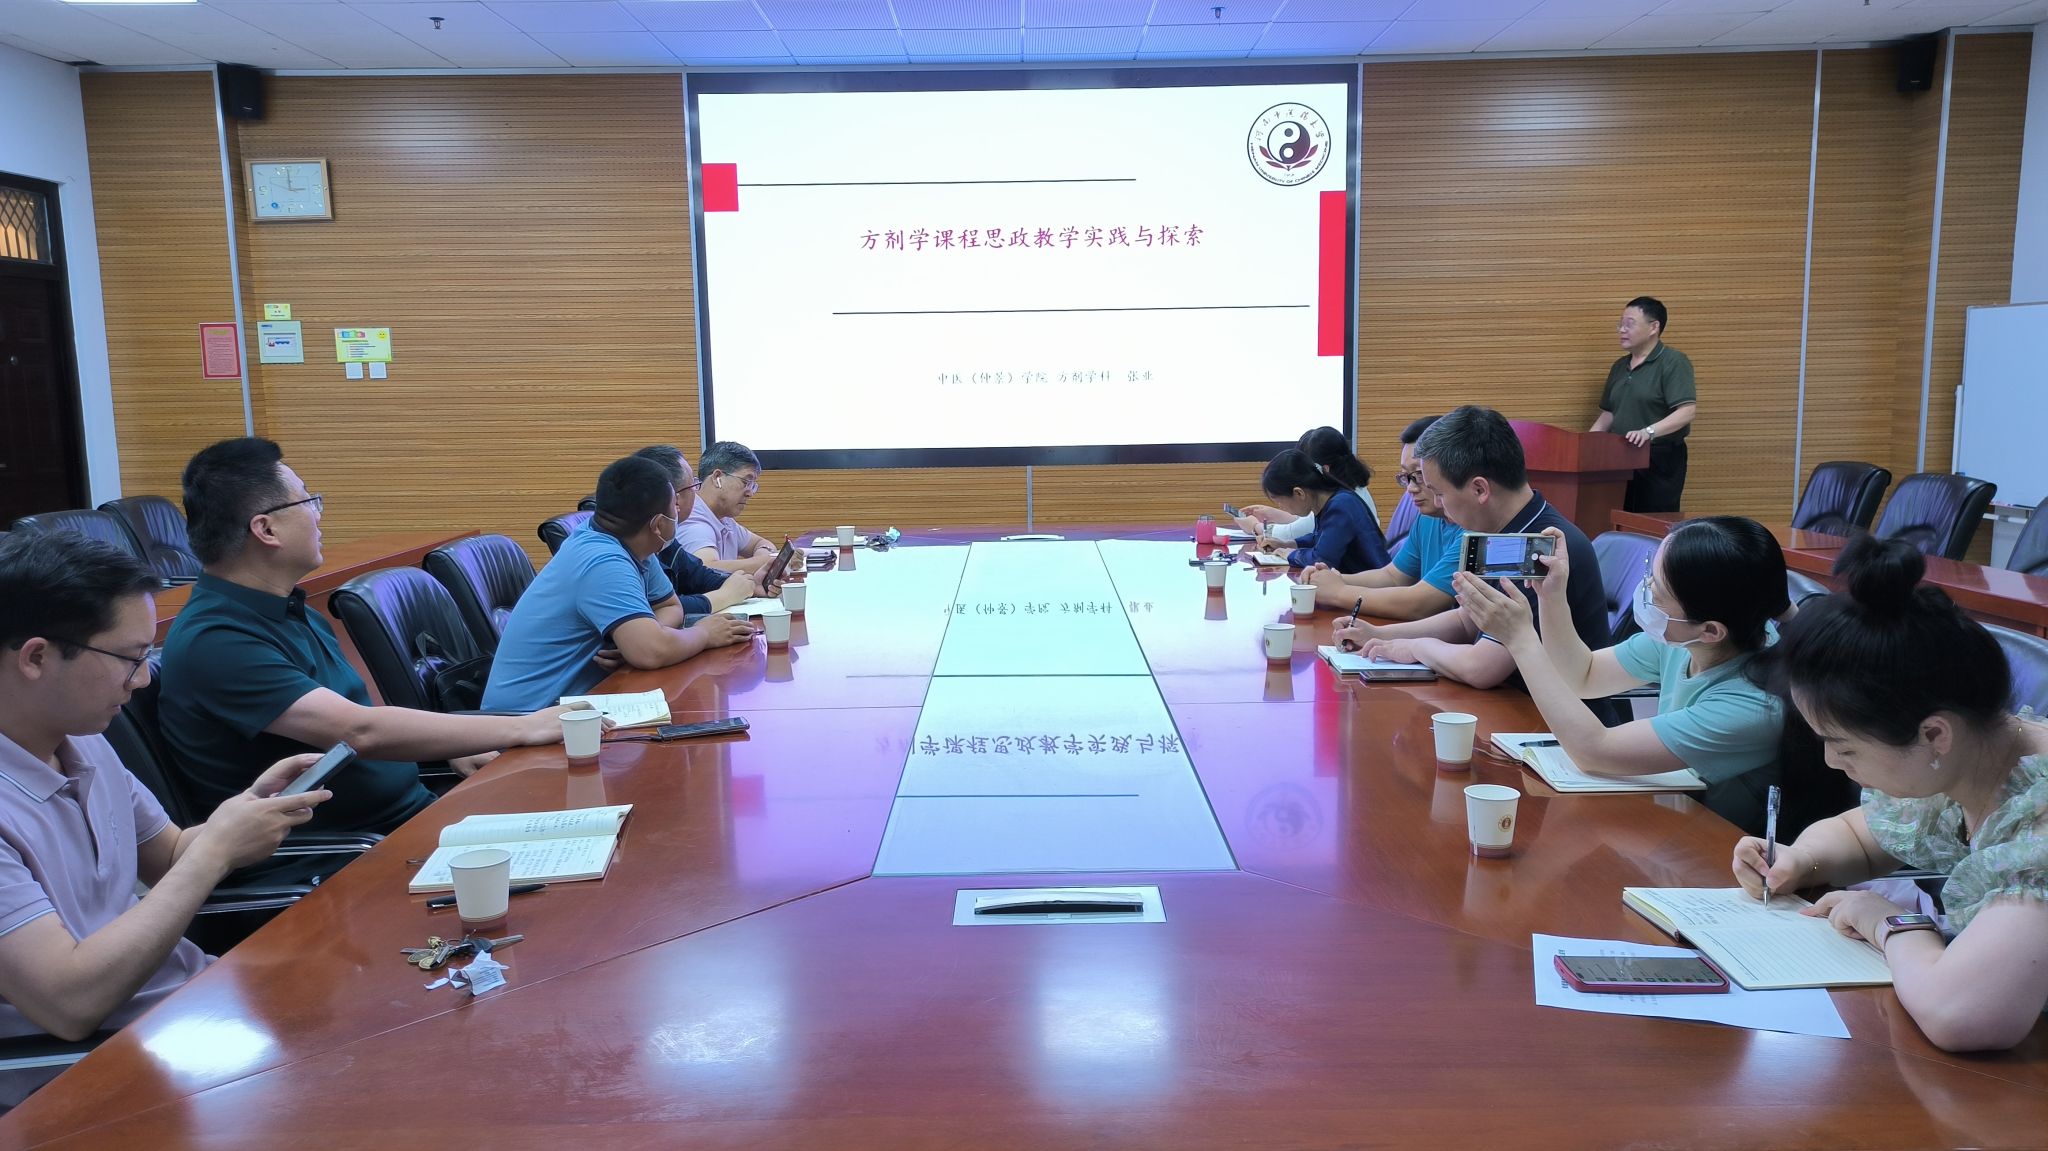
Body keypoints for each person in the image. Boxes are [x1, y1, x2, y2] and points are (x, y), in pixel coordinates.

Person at [0, 533, 331, 1104]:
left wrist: (242, 814)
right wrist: (215, 853)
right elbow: (69, 1003)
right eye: (130, 659)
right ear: (36, 657)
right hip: (90, 1077)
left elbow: (170, 855)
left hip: (194, 1018)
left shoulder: (82, 740)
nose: (144, 679)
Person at [158, 438, 583, 857]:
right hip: (344, 855)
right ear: (266, 529)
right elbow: (357, 730)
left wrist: (454, 746)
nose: (318, 516)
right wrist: (523, 726)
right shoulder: (216, 639)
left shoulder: (288, 608)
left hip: (411, 819)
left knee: (584, 820)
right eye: (308, 502)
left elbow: (361, 723)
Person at [1731, 535, 2048, 1053]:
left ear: (1933, 734)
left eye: (1845, 747)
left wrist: (1888, 921)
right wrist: (1800, 860)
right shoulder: (1971, 756)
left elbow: (1964, 1016)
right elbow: (1861, 835)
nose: (1832, 762)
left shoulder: (2038, 826)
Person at [1454, 516, 1790, 832]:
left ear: (1711, 630)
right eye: (1650, 574)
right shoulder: (1692, 637)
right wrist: (1552, 596)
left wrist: (1520, 640)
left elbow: (1595, 752)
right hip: (1668, 813)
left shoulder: (1755, 704)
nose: (1646, 591)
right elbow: (1584, 675)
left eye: (1658, 591)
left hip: (1714, 841)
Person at [1334, 405, 1611, 689]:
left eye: (1440, 493)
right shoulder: (1505, 530)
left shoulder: (1540, 544)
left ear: (1480, 489)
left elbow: (1481, 667)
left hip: (1546, 712)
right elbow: (1467, 622)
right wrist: (1380, 635)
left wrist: (1416, 647)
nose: (1438, 503)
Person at [484, 454, 755, 713]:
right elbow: (652, 652)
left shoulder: (634, 544)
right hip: (528, 721)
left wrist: (641, 638)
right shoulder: (602, 560)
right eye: (674, 504)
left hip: (578, 705)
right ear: (658, 524)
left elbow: (669, 607)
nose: (679, 510)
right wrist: (704, 634)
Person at [1300, 415, 1461, 620]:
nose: (1410, 488)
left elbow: (1420, 604)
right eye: (1406, 477)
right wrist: (1334, 579)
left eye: (1419, 475)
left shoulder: (1472, 528)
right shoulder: (1427, 518)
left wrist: (1338, 592)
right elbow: (1393, 576)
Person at [633, 445, 779, 617]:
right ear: (674, 499)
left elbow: (698, 574)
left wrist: (750, 584)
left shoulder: (667, 543)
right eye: (692, 486)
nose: (696, 492)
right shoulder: (622, 553)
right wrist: (725, 595)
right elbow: (657, 611)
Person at [1589, 296, 1696, 513]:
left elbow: (1686, 411)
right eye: (1620, 324)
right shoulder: (1619, 366)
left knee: (1652, 521)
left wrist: (1648, 432)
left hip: (1658, 458)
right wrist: (1587, 443)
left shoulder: (1673, 362)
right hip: (1620, 457)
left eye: (1629, 324)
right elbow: (1610, 413)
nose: (1622, 330)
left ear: (1653, 327)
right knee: (1618, 515)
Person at [1256, 449, 1388, 574]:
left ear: (1299, 493)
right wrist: (1287, 544)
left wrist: (1291, 554)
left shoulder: (1340, 506)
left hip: (1371, 586)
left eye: (1279, 502)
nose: (1280, 507)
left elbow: (1322, 560)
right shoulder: (1329, 501)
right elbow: (1321, 538)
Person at [1237, 426, 1379, 542]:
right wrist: (1275, 514)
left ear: (1324, 469)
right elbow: (1308, 524)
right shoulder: (1349, 488)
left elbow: (1293, 534)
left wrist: (1255, 526)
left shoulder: (1339, 500)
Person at [681, 441, 785, 575]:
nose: (750, 493)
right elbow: (707, 569)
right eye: (746, 482)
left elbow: (760, 543)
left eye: (753, 485)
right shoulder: (692, 520)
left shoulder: (722, 517)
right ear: (717, 477)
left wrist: (764, 557)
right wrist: (768, 561)